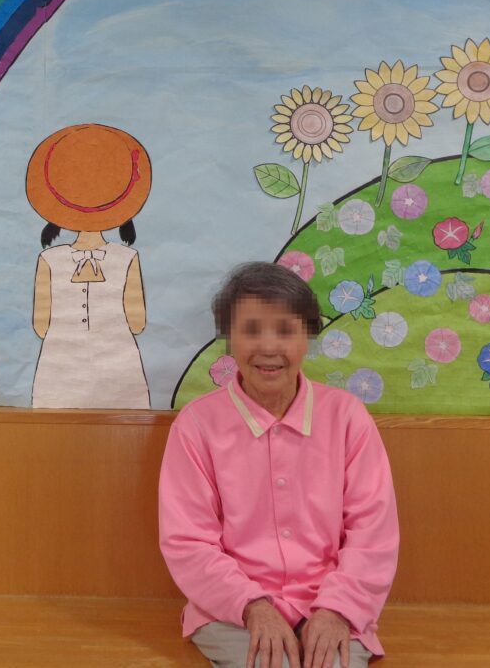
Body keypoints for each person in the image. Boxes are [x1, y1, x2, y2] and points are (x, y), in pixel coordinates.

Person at [159, 262, 398, 668]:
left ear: (308, 337)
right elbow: (188, 542)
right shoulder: (196, 426)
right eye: (251, 330)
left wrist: (337, 609)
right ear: (228, 339)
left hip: (333, 604)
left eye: (285, 331)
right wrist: (252, 606)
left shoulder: (347, 417)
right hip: (233, 612)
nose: (268, 348)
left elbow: (373, 532)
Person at [26, 123, 151, 408]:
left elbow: (41, 326)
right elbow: (137, 323)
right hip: (120, 367)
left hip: (58, 366)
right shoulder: (126, 258)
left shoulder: (50, 260)